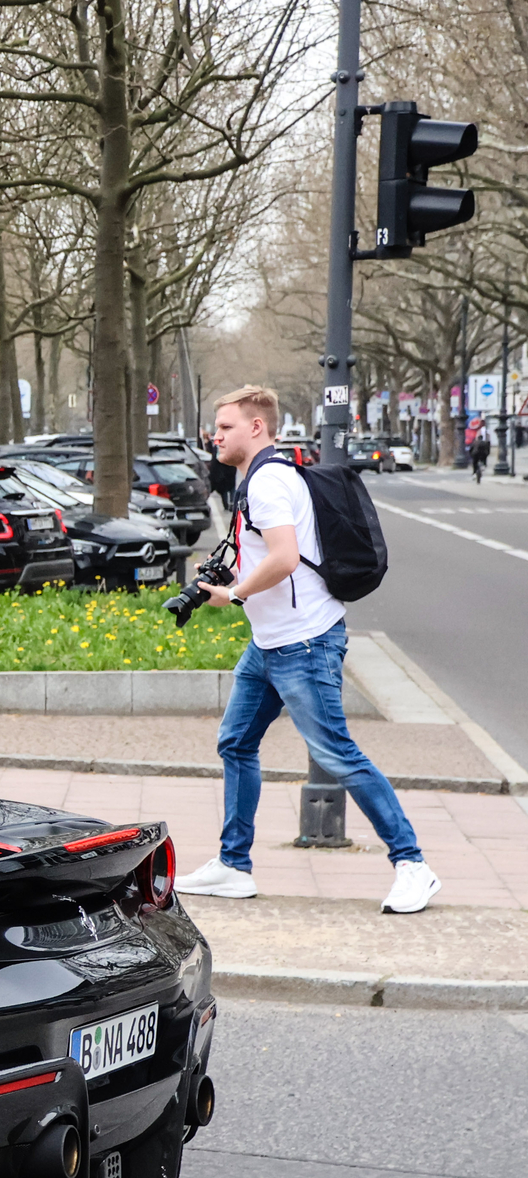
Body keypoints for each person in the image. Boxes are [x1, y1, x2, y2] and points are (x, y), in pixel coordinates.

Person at [176, 384, 438, 914]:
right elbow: (265, 554)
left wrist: (234, 594)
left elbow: (286, 558)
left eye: (225, 427)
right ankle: (233, 865)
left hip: (304, 643)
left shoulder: (269, 482)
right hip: (270, 644)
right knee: (237, 742)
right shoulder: (258, 479)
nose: (215, 435)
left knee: (335, 753)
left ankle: (413, 865)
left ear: (256, 427)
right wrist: (224, 574)